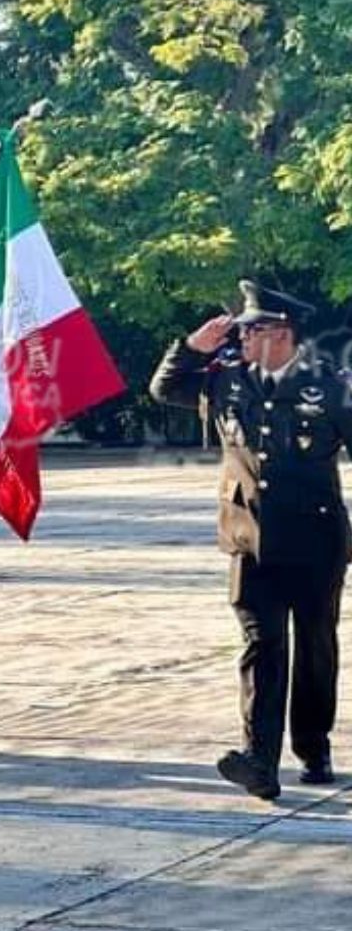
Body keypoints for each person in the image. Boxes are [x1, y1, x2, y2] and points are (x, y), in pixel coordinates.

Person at [151, 279, 352, 800]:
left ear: (280, 334)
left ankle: (314, 746)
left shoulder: (330, 385)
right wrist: (190, 349)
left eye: (250, 329)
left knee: (314, 647)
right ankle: (259, 760)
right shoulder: (227, 380)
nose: (239, 338)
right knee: (261, 644)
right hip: (249, 541)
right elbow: (165, 389)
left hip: (315, 541)